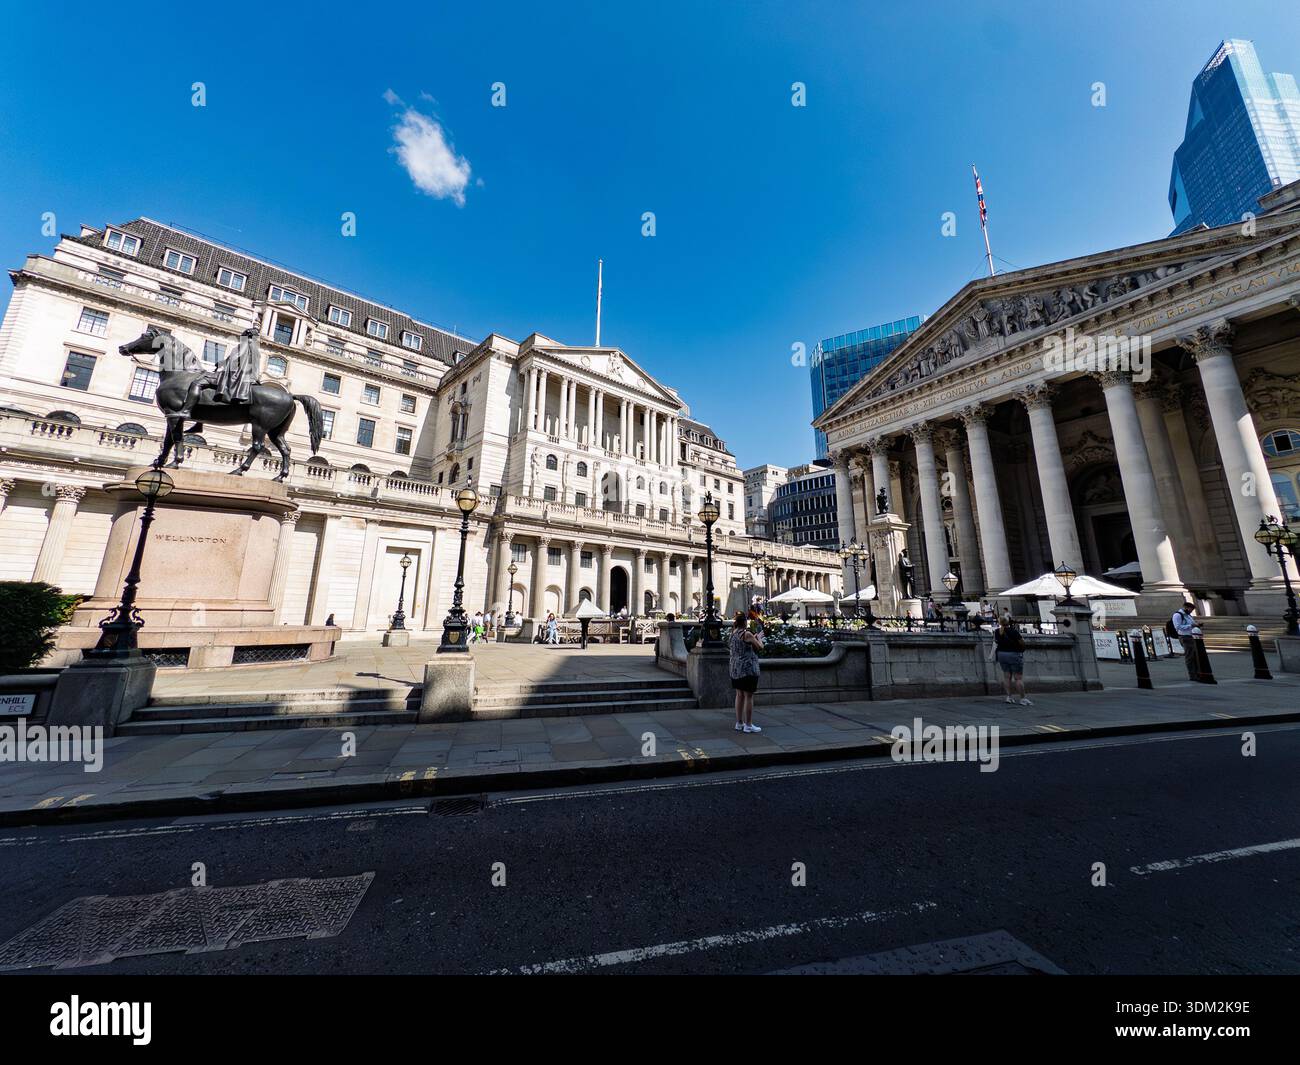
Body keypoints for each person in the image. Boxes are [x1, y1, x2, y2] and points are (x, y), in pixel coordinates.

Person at [729, 610, 764, 733]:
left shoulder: (733, 633)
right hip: (748, 669)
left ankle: (739, 723)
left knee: (739, 695)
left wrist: (753, 639)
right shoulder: (747, 634)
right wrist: (759, 638)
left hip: (735, 669)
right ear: (744, 622)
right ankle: (748, 725)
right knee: (749, 696)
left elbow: (742, 646)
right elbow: (760, 647)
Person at [995, 616, 1031, 705]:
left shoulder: (997, 631)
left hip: (1001, 654)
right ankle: (1022, 698)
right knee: (1018, 678)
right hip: (1013, 654)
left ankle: (1009, 697)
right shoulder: (1013, 631)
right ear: (1008, 622)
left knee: (1007, 676)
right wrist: (1022, 649)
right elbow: (1022, 642)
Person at [1169, 602, 1198, 679]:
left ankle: (1197, 672)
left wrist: (1196, 625)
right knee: (1190, 656)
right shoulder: (1177, 615)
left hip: (1192, 636)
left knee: (1195, 655)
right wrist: (1191, 625)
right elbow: (1178, 627)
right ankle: (1192, 675)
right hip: (1185, 637)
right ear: (1185, 607)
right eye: (1190, 609)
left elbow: (1192, 624)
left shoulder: (1188, 615)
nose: (1191, 611)